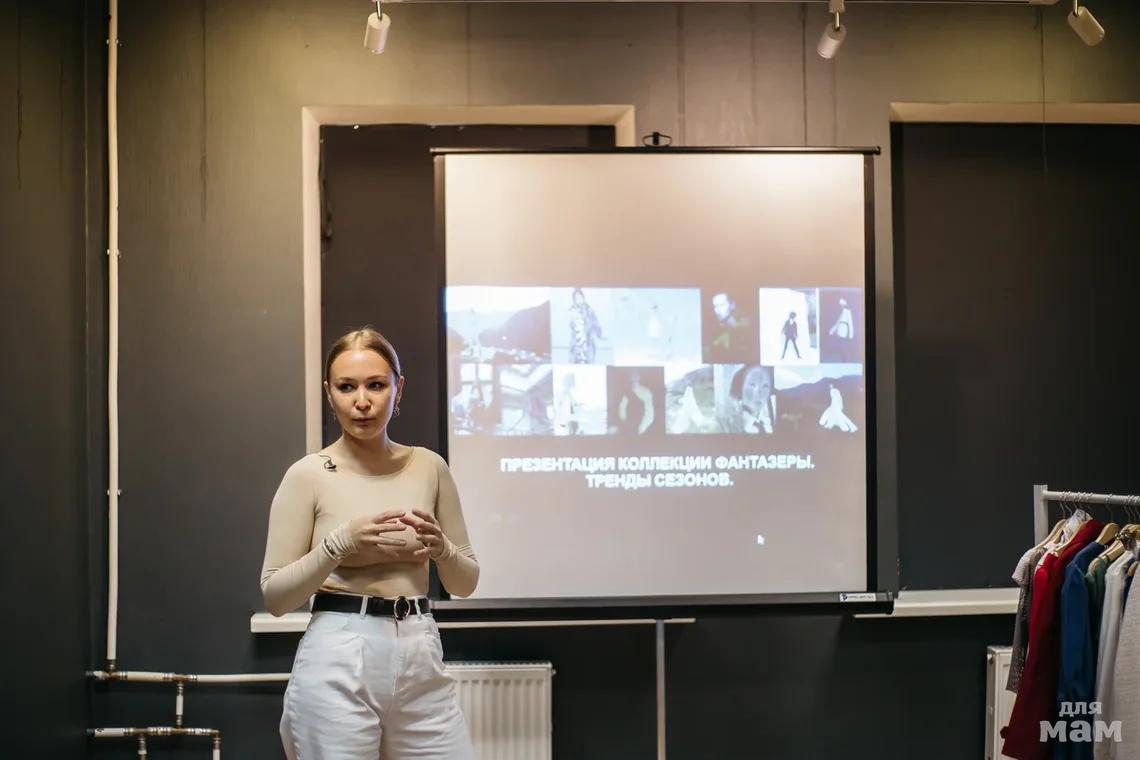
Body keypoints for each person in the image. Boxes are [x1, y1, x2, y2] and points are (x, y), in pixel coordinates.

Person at [261, 327, 478, 760]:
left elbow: (466, 582)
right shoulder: (308, 474)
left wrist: (442, 549)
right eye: (347, 387)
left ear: (399, 389)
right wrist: (338, 545)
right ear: (329, 393)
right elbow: (276, 597)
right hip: (339, 648)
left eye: (376, 385)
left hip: (419, 645)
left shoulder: (429, 466)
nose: (362, 401)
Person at [723, 364, 777, 434]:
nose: (759, 391)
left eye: (765, 386)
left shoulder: (769, 425)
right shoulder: (728, 428)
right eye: (752, 385)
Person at [568, 288, 603, 363]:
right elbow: (571, 325)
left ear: (583, 298)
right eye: (576, 298)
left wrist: (599, 334)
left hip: (588, 343)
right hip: (576, 345)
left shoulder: (589, 310)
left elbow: (596, 323)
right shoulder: (572, 311)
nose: (578, 300)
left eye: (580, 297)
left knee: (589, 363)